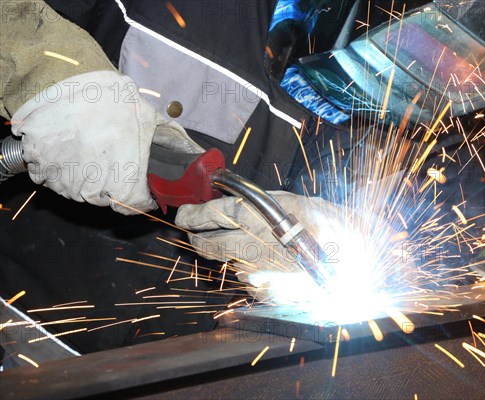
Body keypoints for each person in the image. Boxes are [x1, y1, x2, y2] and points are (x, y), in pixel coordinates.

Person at [0, 0, 352, 362]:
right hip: (18, 315)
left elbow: (399, 208)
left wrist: (358, 233)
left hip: (176, 368)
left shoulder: (371, 101)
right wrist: (52, 78)